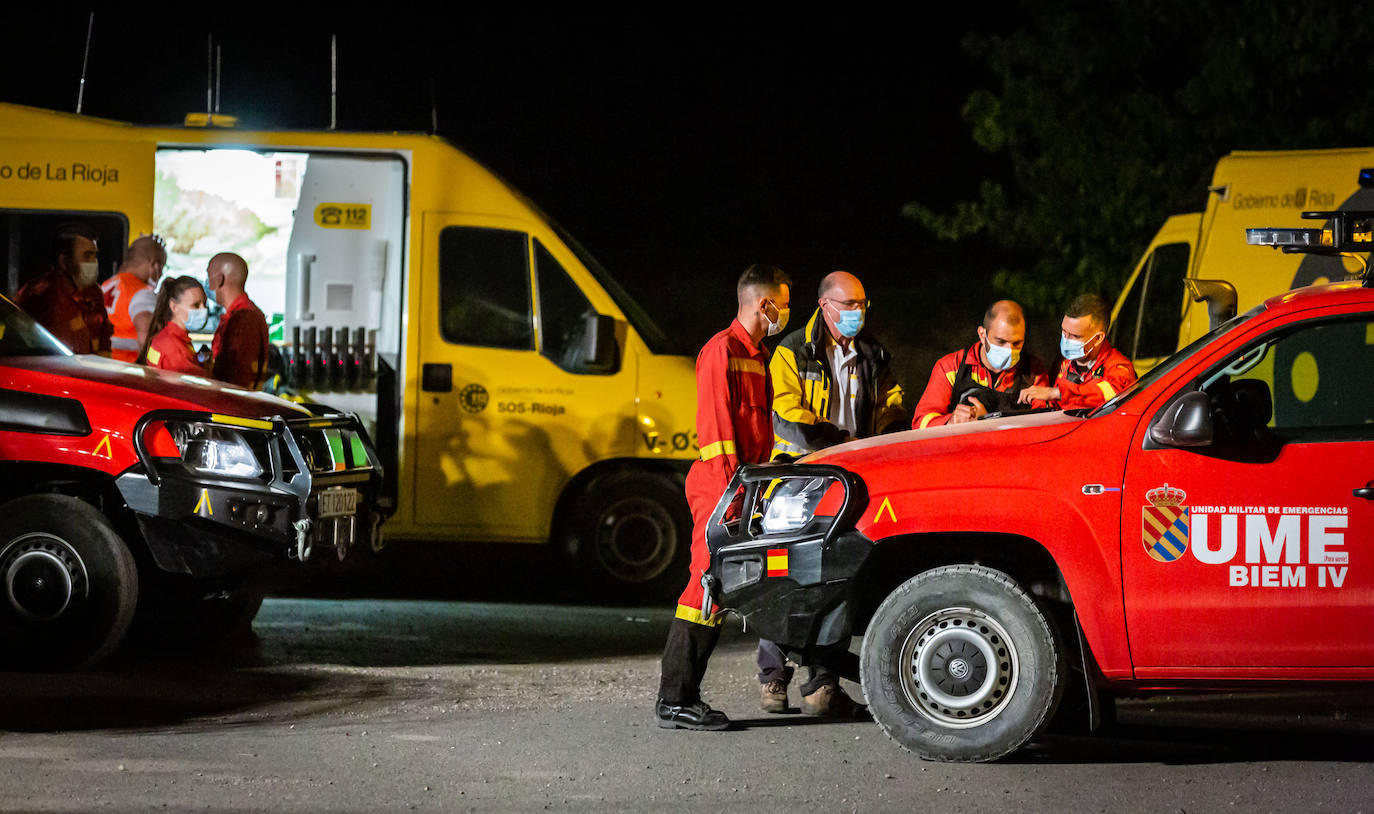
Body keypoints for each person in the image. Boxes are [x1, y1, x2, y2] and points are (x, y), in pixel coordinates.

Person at [758, 270, 906, 716]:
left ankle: (822, 685)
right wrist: (834, 441)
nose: (858, 313)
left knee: (838, 575)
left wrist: (897, 436)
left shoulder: (873, 352)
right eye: (849, 305)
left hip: (851, 480)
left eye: (863, 304)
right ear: (825, 306)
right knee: (785, 576)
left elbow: (890, 404)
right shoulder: (791, 351)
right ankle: (773, 679)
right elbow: (785, 414)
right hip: (798, 476)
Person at [656, 263, 791, 732]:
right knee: (703, 588)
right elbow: (716, 436)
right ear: (763, 304)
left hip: (743, 488)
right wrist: (733, 495)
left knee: (717, 589)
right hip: (721, 485)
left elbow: (759, 433)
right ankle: (675, 700)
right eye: (784, 303)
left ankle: (681, 698)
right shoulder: (721, 351)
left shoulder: (758, 356)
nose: (786, 312)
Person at [911, 300, 1050, 428]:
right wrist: (951, 421)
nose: (1010, 350)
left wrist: (990, 422)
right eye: (1001, 342)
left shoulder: (1033, 370)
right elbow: (920, 422)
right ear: (982, 335)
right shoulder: (951, 366)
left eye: (1017, 343)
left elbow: (1044, 423)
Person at [1018, 293, 1137, 411]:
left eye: (1075, 336)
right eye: (1064, 332)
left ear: (1098, 338)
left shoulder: (1118, 368)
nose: (1066, 339)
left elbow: (1105, 395)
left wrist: (1057, 393)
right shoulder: (1067, 363)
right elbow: (1056, 405)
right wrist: (1040, 402)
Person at [13, 222, 113, 355]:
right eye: (87, 256)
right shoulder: (40, 293)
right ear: (64, 261)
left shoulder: (94, 293)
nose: (94, 262)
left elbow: (103, 337)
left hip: (88, 371)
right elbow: (19, 338)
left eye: (95, 256)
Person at [205, 252, 270, 389]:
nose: (207, 283)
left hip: (233, 404)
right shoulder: (244, 314)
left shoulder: (244, 319)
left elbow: (237, 378)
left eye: (208, 276)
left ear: (219, 280)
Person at [102, 235, 167, 362]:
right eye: (162, 267)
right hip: (129, 369)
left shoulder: (106, 285)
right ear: (155, 265)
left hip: (104, 363)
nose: (162, 273)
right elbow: (147, 337)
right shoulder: (142, 293)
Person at [137, 276, 210, 375]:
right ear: (174, 307)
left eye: (205, 304)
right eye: (196, 305)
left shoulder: (165, 337)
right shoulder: (174, 348)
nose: (203, 310)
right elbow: (194, 385)